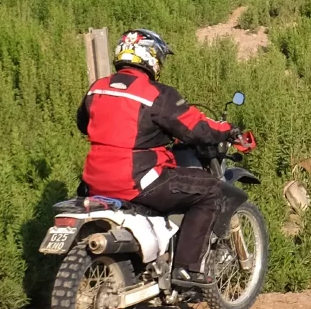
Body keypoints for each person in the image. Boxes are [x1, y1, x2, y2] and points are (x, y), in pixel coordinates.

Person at [76, 29, 245, 288]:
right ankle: (186, 269)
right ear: (151, 57)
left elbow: (83, 124)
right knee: (210, 189)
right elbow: (195, 128)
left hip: (94, 182)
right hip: (137, 180)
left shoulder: (97, 88)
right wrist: (227, 130)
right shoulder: (156, 94)